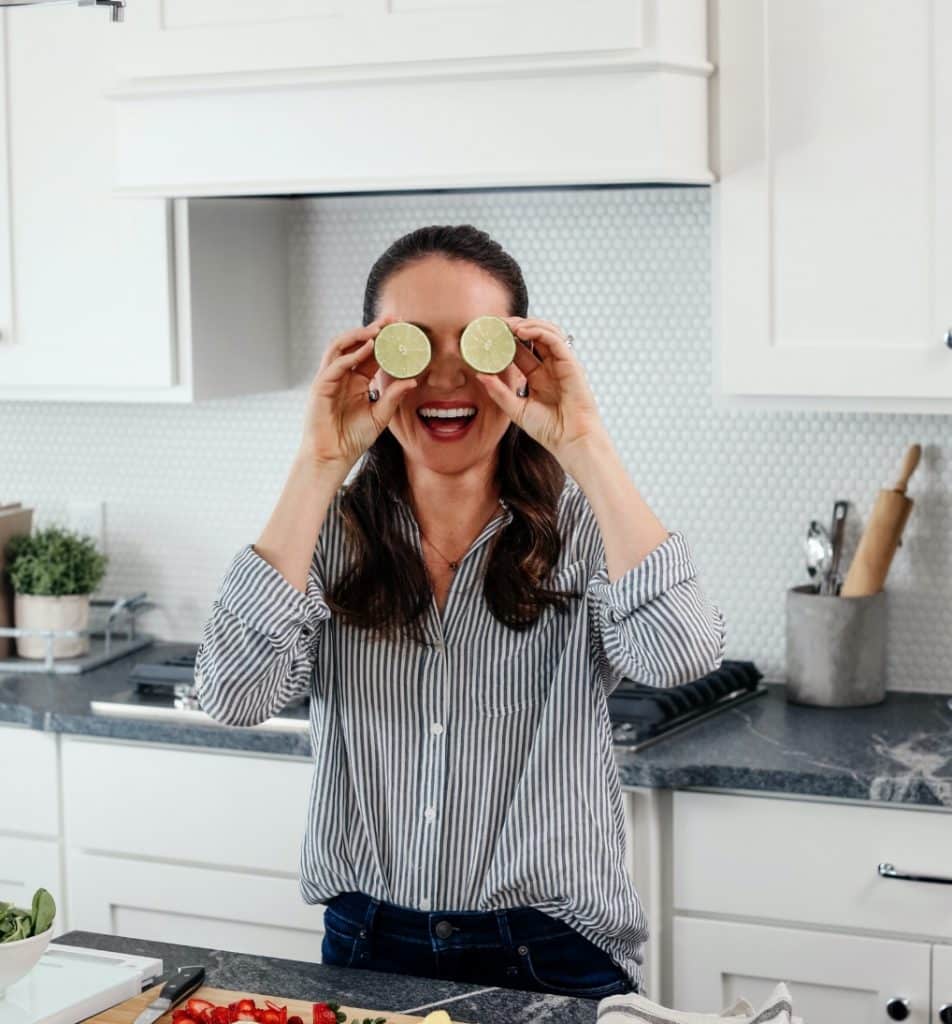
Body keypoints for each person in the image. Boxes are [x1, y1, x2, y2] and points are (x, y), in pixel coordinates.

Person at [195, 224, 726, 1000]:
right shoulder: (324, 537)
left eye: (474, 346)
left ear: (519, 361)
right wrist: (318, 464)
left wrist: (585, 441)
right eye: (413, 344)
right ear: (371, 363)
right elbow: (233, 696)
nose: (446, 381)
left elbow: (678, 656)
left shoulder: (584, 530)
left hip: (552, 950)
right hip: (367, 944)